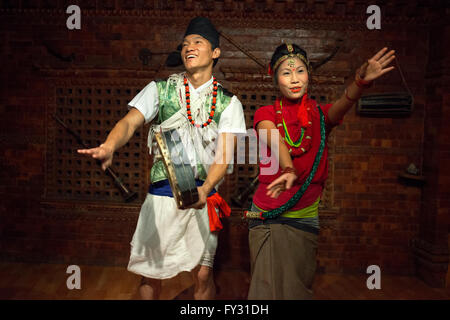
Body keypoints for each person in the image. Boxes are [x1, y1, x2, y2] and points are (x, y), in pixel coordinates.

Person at [78, 17, 246, 300]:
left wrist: (205, 190)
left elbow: (224, 154)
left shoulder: (229, 102)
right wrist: (109, 145)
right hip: (161, 197)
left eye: (198, 42)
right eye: (185, 44)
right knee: (151, 273)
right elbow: (130, 122)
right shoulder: (160, 89)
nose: (189, 47)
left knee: (203, 273)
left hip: (203, 197)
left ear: (215, 52)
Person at [247, 43, 395, 299]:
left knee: (297, 289)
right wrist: (288, 167)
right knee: (264, 289)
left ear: (309, 75)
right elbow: (273, 138)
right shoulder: (266, 113)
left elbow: (343, 103)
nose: (294, 79)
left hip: (304, 215)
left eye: (300, 71)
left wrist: (361, 82)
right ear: (275, 79)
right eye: (286, 73)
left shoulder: (319, 115)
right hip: (267, 214)